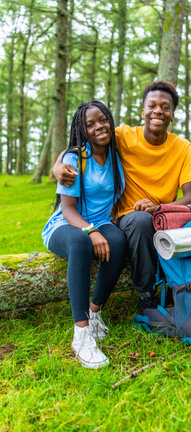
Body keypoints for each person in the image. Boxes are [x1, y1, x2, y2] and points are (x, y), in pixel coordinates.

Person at [53, 81, 191, 314]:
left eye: (165, 107)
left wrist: (160, 208)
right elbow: (84, 138)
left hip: (165, 214)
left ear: (172, 114)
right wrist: (58, 164)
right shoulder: (123, 136)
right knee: (140, 221)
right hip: (127, 217)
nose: (158, 111)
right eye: (152, 105)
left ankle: (183, 284)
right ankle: (147, 296)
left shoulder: (182, 146)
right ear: (143, 112)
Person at [42, 101, 127, 369]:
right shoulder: (75, 158)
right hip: (65, 225)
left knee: (118, 240)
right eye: (89, 124)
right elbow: (67, 210)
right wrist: (90, 231)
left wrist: (98, 229)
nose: (98, 127)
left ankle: (94, 312)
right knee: (80, 242)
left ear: (110, 120)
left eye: (102, 120)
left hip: (101, 221)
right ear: (82, 130)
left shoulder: (116, 151)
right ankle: (81, 334)